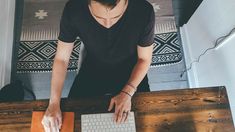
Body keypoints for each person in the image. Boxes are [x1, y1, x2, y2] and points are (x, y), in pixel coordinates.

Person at [41, 0, 155, 131]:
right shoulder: (74, 9)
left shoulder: (144, 10)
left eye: (116, 17)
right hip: (93, 68)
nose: (107, 23)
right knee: (72, 120)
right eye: (99, 17)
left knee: (143, 124)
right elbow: (61, 59)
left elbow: (144, 59)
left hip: (132, 72)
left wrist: (127, 92)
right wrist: (54, 103)